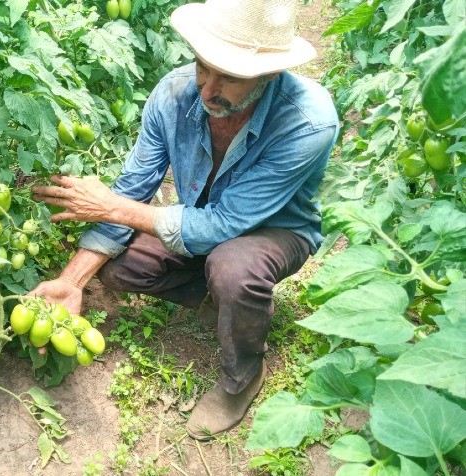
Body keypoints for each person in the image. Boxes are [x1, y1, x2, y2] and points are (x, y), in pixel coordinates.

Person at [29, 0, 339, 440]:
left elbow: (225, 223)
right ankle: (217, 295)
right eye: (202, 66)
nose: (207, 86)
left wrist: (111, 208)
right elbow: (134, 186)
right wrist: (73, 280)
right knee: (120, 265)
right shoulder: (174, 94)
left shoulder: (307, 122)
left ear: (269, 74)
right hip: (198, 215)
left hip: (275, 229)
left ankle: (242, 377)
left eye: (229, 76)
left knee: (233, 267)